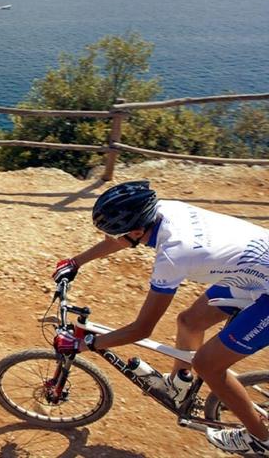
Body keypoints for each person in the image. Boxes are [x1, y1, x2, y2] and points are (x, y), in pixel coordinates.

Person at [51, 180, 269, 456]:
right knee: (189, 322)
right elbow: (121, 238)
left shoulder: (174, 254)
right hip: (253, 273)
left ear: (138, 231)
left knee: (207, 364)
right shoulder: (161, 210)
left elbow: (142, 329)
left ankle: (260, 440)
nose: (112, 238)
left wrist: (85, 345)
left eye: (115, 233)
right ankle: (180, 383)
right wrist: (76, 261)